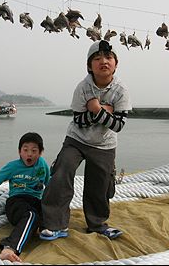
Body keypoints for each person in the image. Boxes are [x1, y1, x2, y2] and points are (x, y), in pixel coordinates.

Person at [40, 39, 132, 241]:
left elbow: (118, 125)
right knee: (62, 170)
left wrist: (96, 109)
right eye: (97, 59)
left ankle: (98, 225)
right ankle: (55, 224)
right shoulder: (83, 88)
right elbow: (78, 120)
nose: (104, 62)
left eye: (109, 57)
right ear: (90, 66)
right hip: (77, 140)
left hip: (105, 144)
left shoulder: (121, 91)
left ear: (116, 64)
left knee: (99, 184)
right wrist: (104, 112)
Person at [0, 132, 50, 262]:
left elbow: (49, 182)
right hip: (17, 201)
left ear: (40, 153)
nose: (29, 154)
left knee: (49, 211)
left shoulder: (42, 165)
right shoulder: (13, 166)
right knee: (31, 215)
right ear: (19, 151)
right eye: (25, 150)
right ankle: (9, 248)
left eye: (34, 151)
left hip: (35, 200)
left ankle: (39, 228)